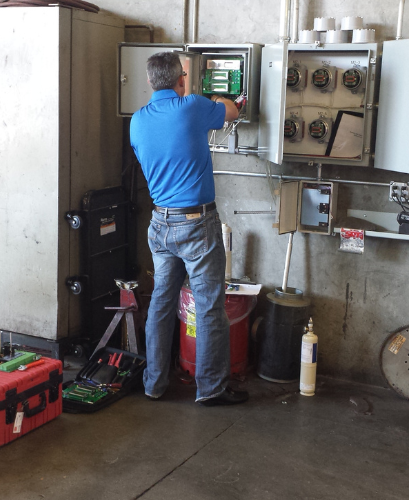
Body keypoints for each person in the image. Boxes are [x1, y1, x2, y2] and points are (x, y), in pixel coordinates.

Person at [130, 52, 248, 406]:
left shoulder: (137, 120)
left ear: (150, 81)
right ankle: (211, 389)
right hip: (197, 225)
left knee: (161, 303)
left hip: (160, 225)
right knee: (209, 306)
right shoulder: (193, 106)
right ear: (181, 79)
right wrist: (219, 97)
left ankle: (154, 384)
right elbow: (232, 112)